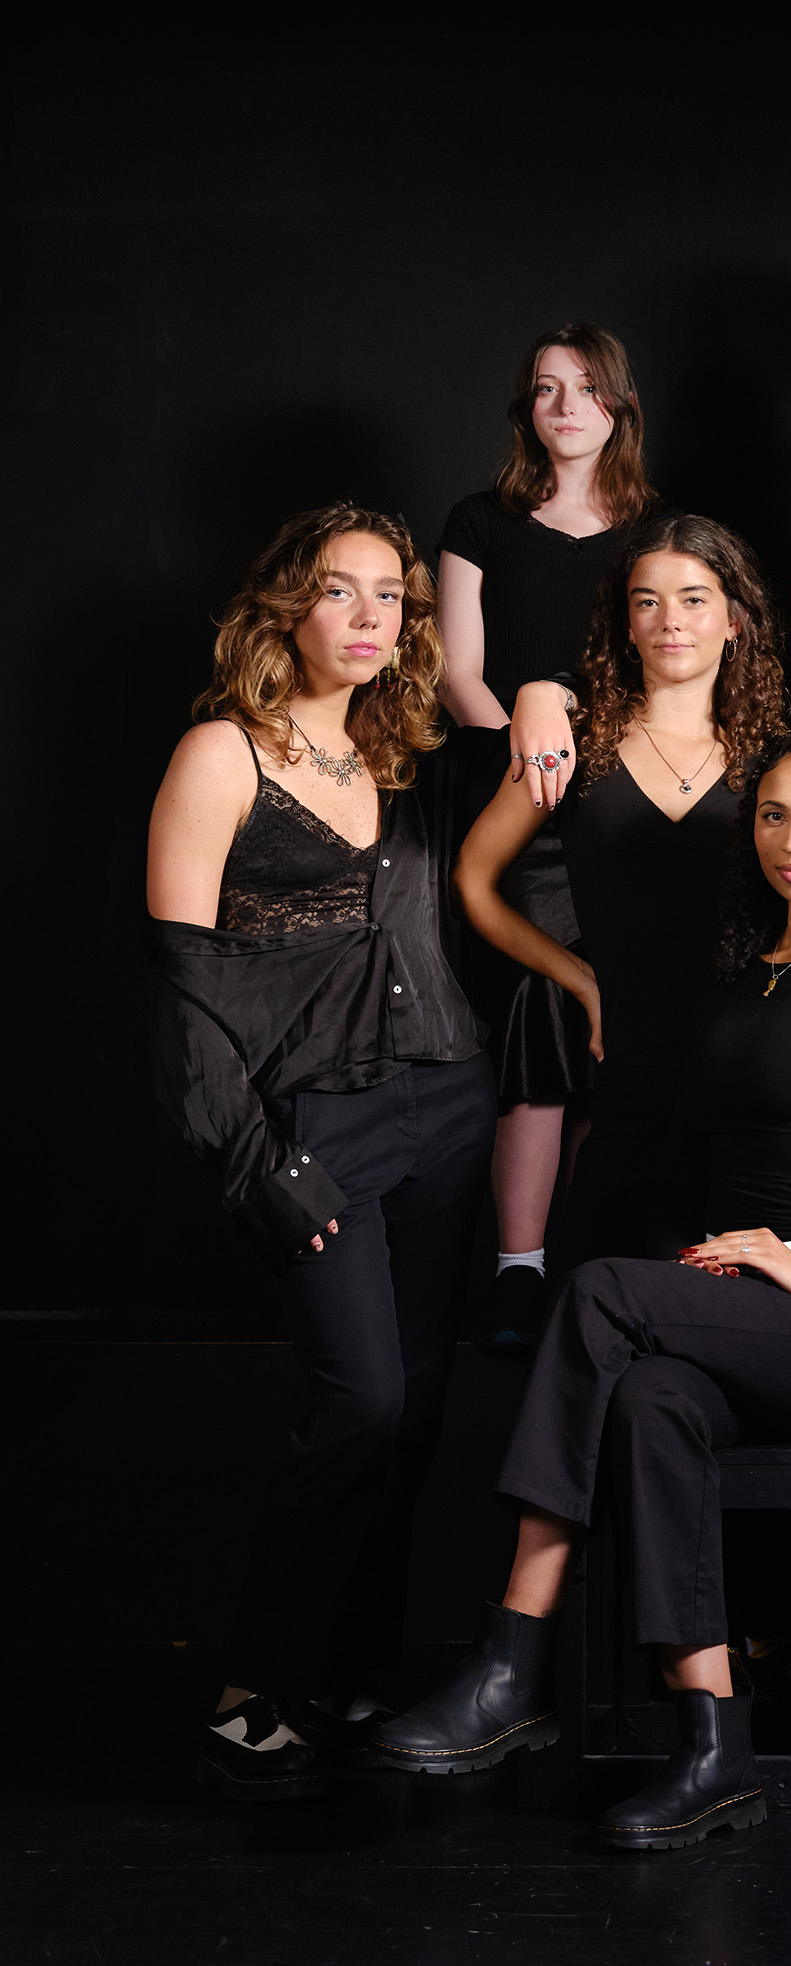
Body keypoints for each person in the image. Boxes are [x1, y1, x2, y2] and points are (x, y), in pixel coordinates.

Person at [364, 732, 791, 1851]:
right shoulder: (735, 987)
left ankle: (512, 1660)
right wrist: (691, 1276)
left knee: (605, 1294)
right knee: (652, 1390)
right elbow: (676, 1196)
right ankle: (715, 1746)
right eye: (772, 815)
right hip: (750, 1320)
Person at [146, 504, 494, 1798]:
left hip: (449, 1105)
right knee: (365, 1400)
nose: (367, 617)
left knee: (419, 1413)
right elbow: (184, 996)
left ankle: (347, 1668)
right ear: (287, 604)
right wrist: (256, 1165)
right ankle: (251, 1679)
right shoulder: (221, 754)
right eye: (340, 592)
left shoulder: (403, 755)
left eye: (390, 597)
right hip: (316, 1128)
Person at [455, 516, 791, 1264]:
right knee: (603, 1272)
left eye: (695, 599)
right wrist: (582, 982)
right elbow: (474, 882)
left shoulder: (776, 760)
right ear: (626, 625)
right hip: (627, 1058)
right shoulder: (571, 746)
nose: (671, 620)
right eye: (647, 601)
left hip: (744, 1063)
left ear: (736, 621)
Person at [438, 324, 655, 1344]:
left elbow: (675, 664)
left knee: (633, 1017)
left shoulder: (661, 528)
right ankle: (519, 1266)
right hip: (512, 785)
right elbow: (457, 676)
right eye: (544, 389)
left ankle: (588, 1253)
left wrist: (601, 755)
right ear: (525, 410)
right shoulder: (481, 521)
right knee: (542, 994)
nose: (564, 405)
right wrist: (530, 745)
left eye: (584, 388)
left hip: (631, 787)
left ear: (618, 404)